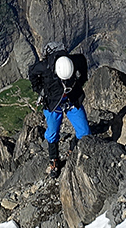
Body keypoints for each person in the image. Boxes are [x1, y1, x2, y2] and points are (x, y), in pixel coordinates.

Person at [27, 45, 89, 175]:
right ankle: (54, 159)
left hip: (72, 100)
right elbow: (32, 72)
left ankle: (73, 148)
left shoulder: (73, 61)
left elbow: (82, 61)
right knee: (52, 133)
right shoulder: (45, 67)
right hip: (53, 104)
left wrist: (81, 81)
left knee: (85, 132)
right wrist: (39, 89)